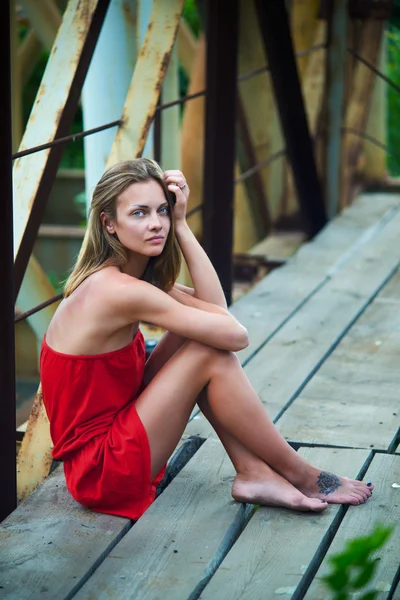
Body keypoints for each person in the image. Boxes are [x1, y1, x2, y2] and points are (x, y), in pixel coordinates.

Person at [40, 158, 373, 520]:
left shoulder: (130, 282)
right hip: (101, 471)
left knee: (199, 341)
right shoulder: (117, 290)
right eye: (138, 213)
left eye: (163, 211)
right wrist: (178, 226)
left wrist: (182, 224)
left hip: (114, 442)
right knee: (207, 353)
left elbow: (216, 313)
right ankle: (301, 474)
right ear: (109, 224)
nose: (156, 223)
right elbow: (234, 334)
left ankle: (255, 472)